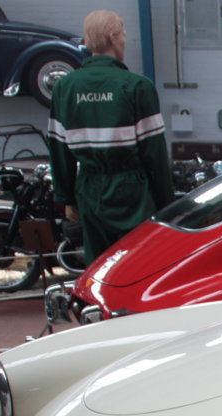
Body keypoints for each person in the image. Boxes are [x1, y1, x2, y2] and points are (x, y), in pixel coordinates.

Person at [48, 10, 173, 266]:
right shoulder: (137, 87)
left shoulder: (64, 88)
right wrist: (166, 202)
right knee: (137, 262)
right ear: (114, 36)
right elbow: (155, 152)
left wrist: (67, 197)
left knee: (98, 265)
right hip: (133, 191)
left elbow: (58, 148)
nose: (125, 40)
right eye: (124, 34)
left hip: (89, 188)